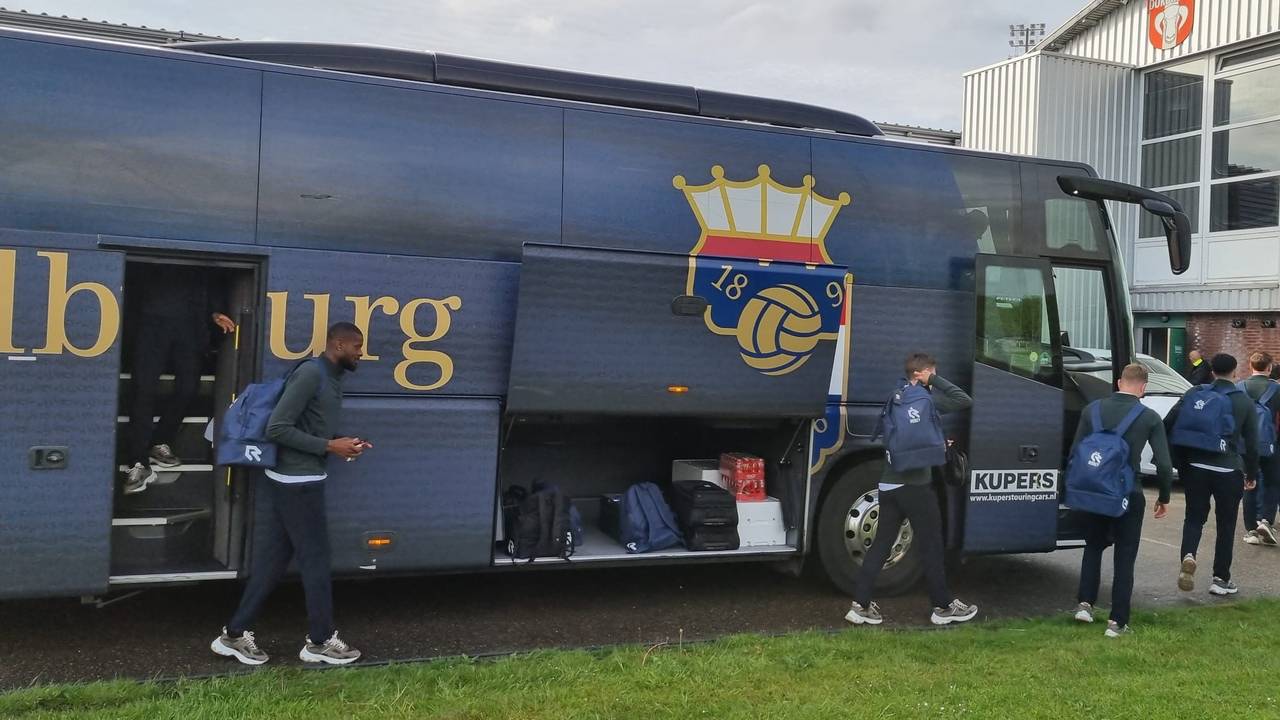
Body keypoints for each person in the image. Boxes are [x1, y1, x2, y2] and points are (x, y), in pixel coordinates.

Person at [211, 322, 372, 666]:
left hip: (302, 478)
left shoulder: (330, 378)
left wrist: (343, 443)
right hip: (296, 481)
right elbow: (278, 428)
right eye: (357, 346)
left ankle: (234, 635)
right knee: (315, 561)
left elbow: (310, 426)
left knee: (272, 561)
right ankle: (321, 640)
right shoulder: (312, 374)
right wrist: (330, 445)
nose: (362, 353)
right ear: (339, 345)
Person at [845, 352, 978, 627]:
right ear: (922, 374)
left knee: (882, 544)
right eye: (931, 372)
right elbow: (963, 399)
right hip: (915, 486)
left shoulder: (895, 398)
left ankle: (860, 605)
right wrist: (935, 380)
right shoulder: (927, 399)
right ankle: (942, 607)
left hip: (888, 483)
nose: (933, 378)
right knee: (931, 545)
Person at [1070, 363, 1173, 637]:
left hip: (1094, 492)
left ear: (1118, 382)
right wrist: (1163, 496)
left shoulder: (1091, 410)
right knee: (1125, 557)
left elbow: (1075, 451)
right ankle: (1117, 622)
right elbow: (1164, 464)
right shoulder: (1149, 417)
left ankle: (1084, 604)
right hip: (1128, 493)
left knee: (1093, 546)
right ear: (1143, 387)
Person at [123, 264, 236, 494]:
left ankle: (159, 441)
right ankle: (138, 462)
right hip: (149, 320)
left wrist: (214, 311)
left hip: (189, 323)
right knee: (143, 390)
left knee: (188, 387)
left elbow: (209, 276)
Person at [1165, 353, 1258, 596]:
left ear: (1212, 371)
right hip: (1229, 469)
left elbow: (1169, 423)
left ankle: (1188, 555)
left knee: (1194, 518)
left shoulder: (1195, 393)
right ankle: (1220, 579)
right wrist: (1252, 473)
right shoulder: (1243, 401)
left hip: (1196, 467)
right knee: (1226, 525)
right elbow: (1253, 443)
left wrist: (1177, 460)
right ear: (1235, 371)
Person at [1240, 352, 1280, 547]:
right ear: (1270, 367)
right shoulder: (1277, 389)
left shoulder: (1239, 388)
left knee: (1249, 484)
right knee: (1273, 483)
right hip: (1271, 444)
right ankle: (1266, 520)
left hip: (1245, 445)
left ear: (1250, 365)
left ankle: (1251, 531)